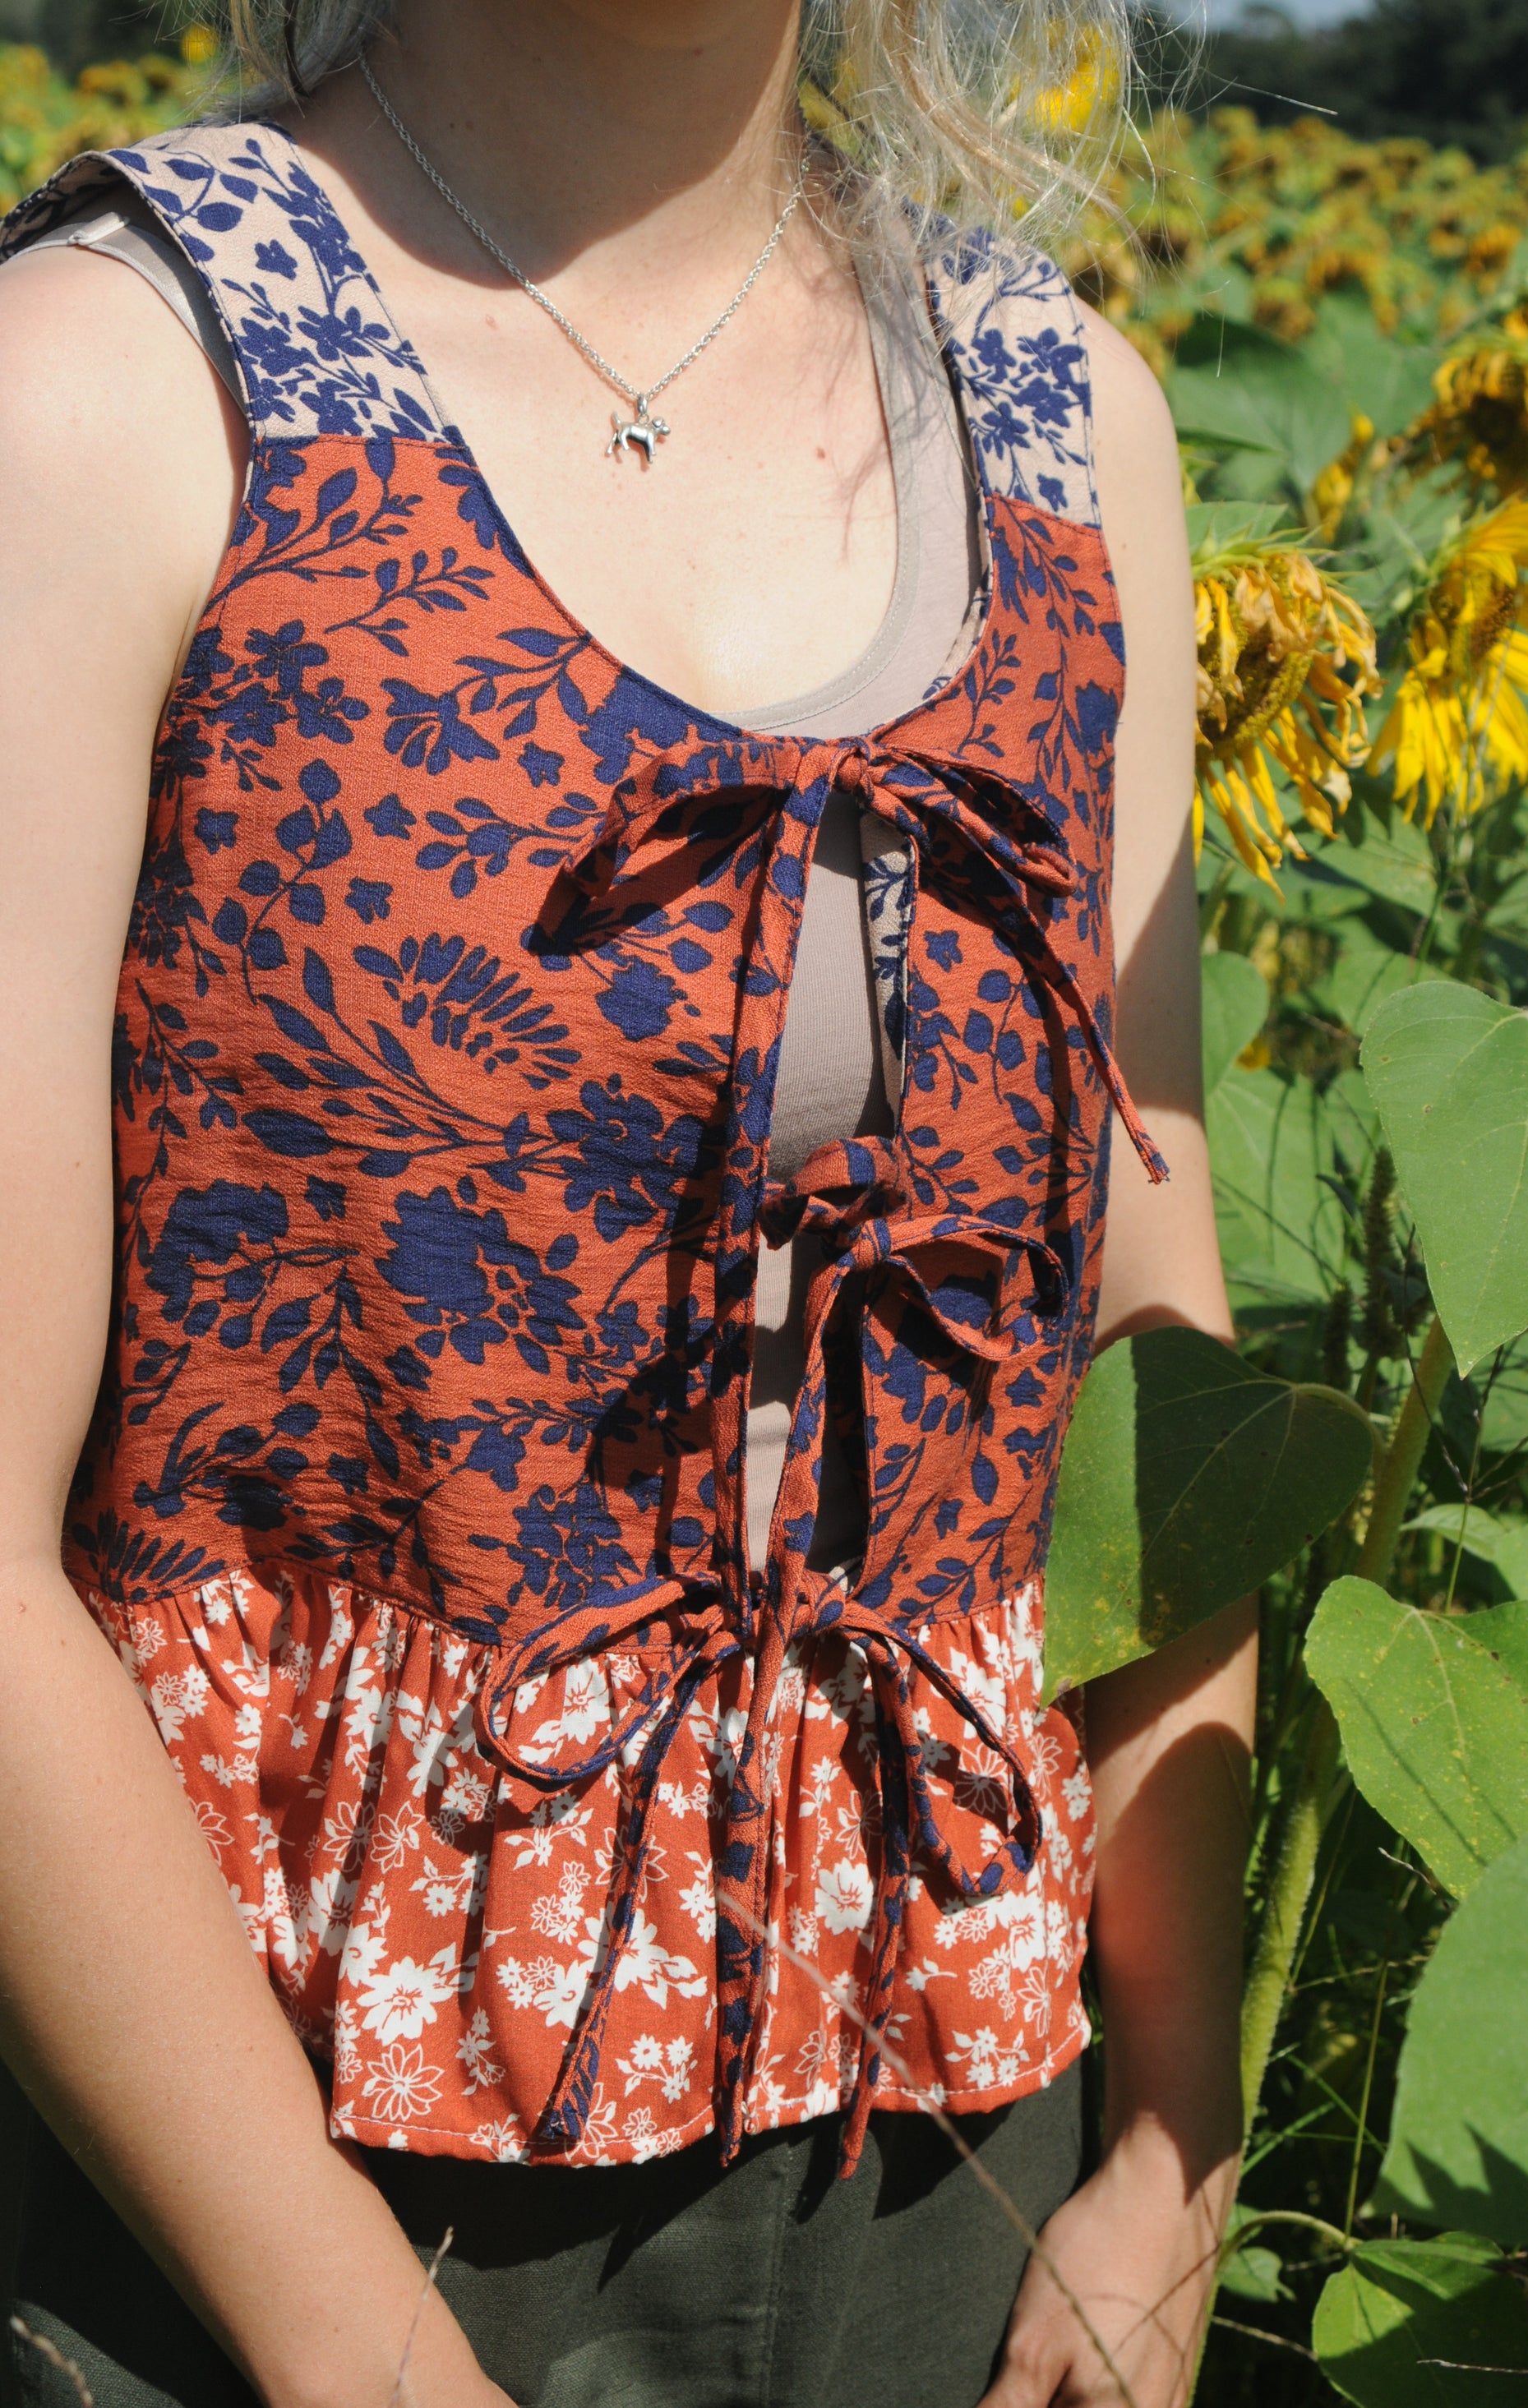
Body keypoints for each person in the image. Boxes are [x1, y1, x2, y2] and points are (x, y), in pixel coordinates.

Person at [0, 3, 1256, 2402]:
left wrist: (1173, 2156)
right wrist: (355, 2349)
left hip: (962, 2172)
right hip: (271, 2167)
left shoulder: (1063, 426)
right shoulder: (107, 391)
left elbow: (1145, 1370)